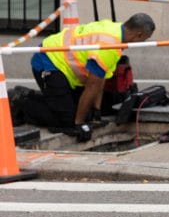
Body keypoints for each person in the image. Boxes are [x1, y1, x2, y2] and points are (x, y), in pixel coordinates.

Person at [23, 13, 155, 141]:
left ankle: (50, 100)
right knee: (66, 122)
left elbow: (100, 79)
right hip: (47, 61)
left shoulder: (115, 32)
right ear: (139, 35)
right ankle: (20, 102)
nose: (144, 41)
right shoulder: (109, 46)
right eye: (146, 38)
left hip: (62, 64)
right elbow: (92, 86)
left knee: (81, 110)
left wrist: (96, 111)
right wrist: (78, 123)